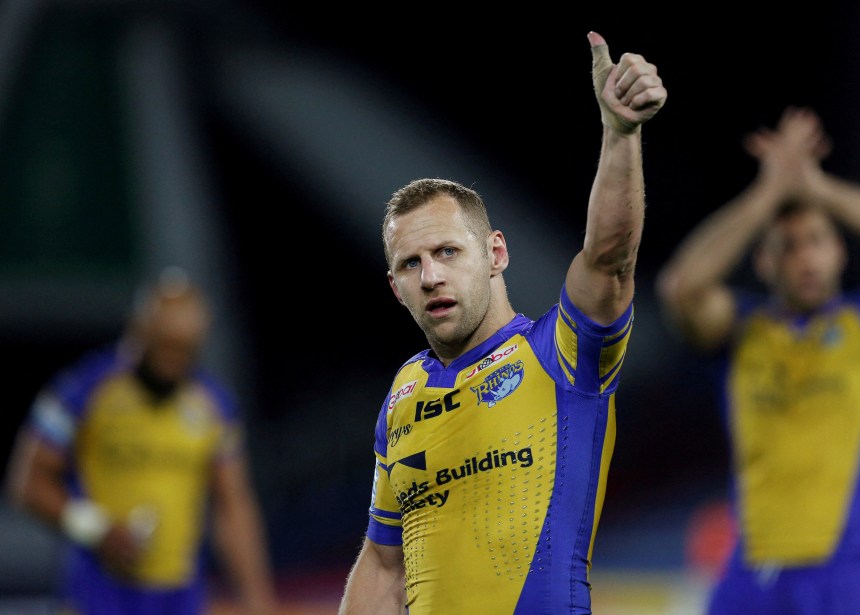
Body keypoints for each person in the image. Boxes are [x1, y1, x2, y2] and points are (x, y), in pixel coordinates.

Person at [336, 31, 666, 614]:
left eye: (447, 252)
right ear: (395, 288)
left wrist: (621, 133)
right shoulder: (403, 395)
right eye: (410, 264)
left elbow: (610, 257)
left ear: (495, 253)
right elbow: (385, 568)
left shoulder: (562, 352)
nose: (430, 276)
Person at [656, 106, 860, 614]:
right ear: (765, 262)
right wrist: (770, 191)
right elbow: (681, 288)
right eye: (788, 247)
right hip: (747, 575)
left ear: (838, 250)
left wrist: (817, 189)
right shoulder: (743, 330)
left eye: (816, 241)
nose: (805, 258)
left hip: (840, 575)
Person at [4, 266, 279, 615]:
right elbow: (27, 482)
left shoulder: (214, 406)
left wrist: (258, 599)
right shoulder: (83, 390)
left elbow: (233, 506)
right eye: (165, 348)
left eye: (185, 351)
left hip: (178, 599)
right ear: (140, 331)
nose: (173, 363)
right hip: (96, 593)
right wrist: (95, 528)